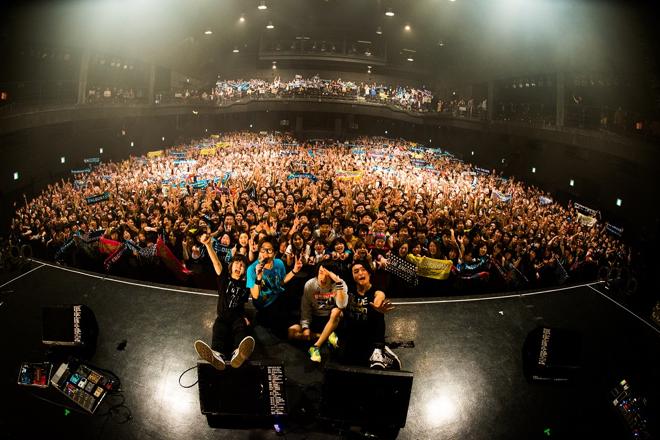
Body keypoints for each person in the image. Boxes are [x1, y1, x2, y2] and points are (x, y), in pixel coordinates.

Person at [194, 234, 255, 370]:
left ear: (244, 271)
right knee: (218, 329)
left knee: (240, 330)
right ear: (231, 265)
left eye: (242, 265)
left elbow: (241, 304)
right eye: (237, 263)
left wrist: (244, 316)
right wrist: (208, 245)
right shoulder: (224, 278)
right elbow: (216, 262)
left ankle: (238, 353)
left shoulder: (245, 286)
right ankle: (217, 354)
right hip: (222, 317)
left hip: (237, 317)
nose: (239, 266)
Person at [339, 262, 401, 369]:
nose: (360, 273)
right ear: (352, 276)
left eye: (363, 270)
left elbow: (380, 295)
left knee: (378, 314)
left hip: (370, 335)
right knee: (346, 362)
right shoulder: (349, 289)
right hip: (352, 335)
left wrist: (377, 306)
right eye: (356, 271)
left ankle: (379, 349)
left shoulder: (377, 289)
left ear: (369, 273)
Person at [288, 262, 348, 363]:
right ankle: (325, 336)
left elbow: (342, 305)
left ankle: (316, 346)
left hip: (331, 319)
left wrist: (338, 283)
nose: (323, 277)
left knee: (337, 311)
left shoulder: (339, 284)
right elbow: (305, 307)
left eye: (327, 274)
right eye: (321, 272)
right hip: (315, 317)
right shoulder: (310, 284)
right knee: (292, 332)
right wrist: (305, 327)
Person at [247, 236, 302, 337]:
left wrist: (294, 271)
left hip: (279, 298)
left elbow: (281, 282)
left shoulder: (279, 263)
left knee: (296, 327)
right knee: (283, 333)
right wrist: (258, 277)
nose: (265, 254)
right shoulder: (252, 269)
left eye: (269, 251)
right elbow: (255, 295)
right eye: (263, 250)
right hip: (265, 305)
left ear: (275, 253)